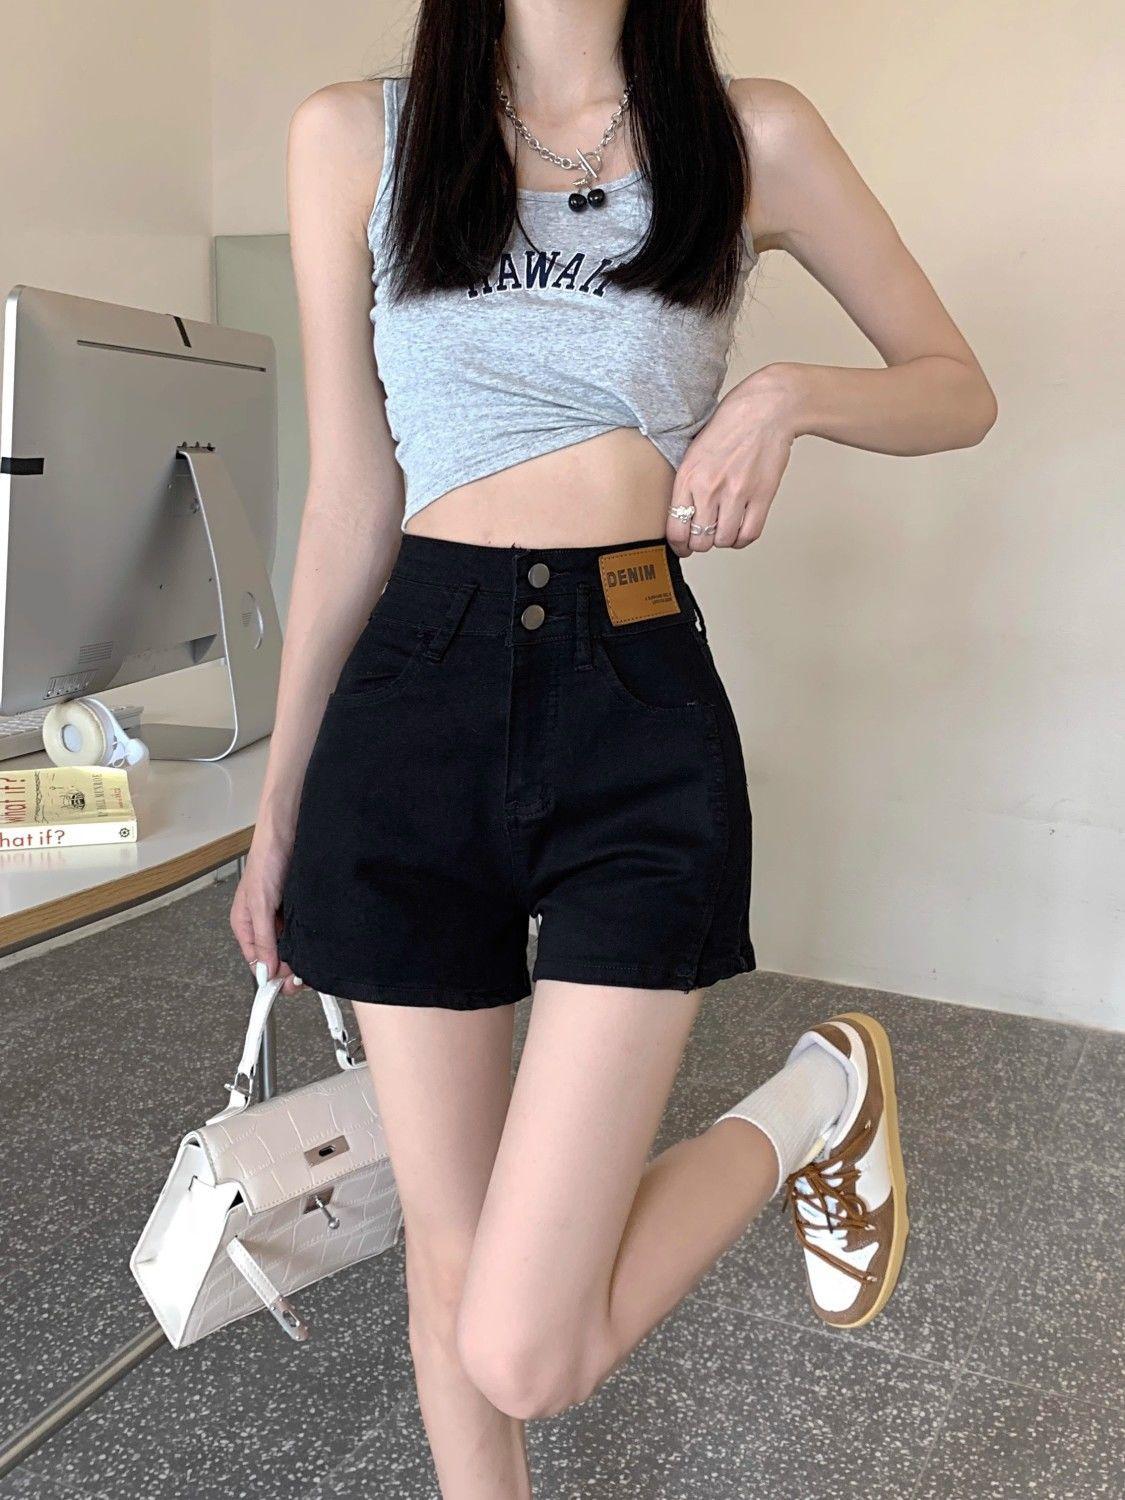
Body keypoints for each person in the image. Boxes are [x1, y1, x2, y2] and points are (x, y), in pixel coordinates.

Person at [230, 3, 997, 1494]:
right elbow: (348, 495)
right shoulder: (354, 137)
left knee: (527, 1347)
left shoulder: (748, 131)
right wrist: (281, 804)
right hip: (413, 697)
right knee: (451, 1269)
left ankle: (816, 1100)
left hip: (631, 691)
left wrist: (786, 396)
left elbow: (953, 384)